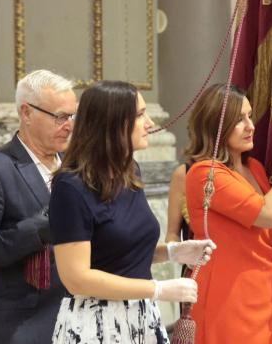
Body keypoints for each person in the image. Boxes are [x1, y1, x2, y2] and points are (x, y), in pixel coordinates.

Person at [47, 81, 215, 343]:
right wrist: (158, 288)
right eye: (139, 115)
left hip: (142, 318)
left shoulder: (130, 171)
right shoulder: (70, 187)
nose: (149, 123)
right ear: (112, 123)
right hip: (96, 326)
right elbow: (76, 278)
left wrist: (172, 252)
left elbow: (119, 253)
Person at [184, 83, 272, 344]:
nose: (250, 126)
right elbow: (269, 214)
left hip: (267, 291)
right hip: (230, 296)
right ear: (216, 125)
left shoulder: (253, 167)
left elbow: (266, 234)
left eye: (249, 116)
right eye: (239, 120)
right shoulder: (205, 174)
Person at [0, 69, 76, 343]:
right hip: (23, 324)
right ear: (26, 113)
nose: (69, 124)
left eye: (72, 116)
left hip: (77, 317)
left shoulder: (76, 167)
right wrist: (37, 230)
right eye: (60, 116)